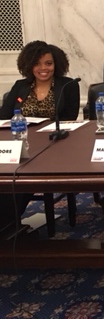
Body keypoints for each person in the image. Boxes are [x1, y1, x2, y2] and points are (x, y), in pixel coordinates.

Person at [0, 40, 80, 233]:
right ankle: (8, 226)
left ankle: (9, 226)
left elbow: (69, 118)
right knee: (8, 176)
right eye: (37, 64)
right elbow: (4, 116)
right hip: (20, 142)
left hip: (53, 145)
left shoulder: (67, 85)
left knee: (22, 176)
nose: (43, 68)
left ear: (56, 64)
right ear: (29, 66)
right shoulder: (20, 86)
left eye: (48, 63)